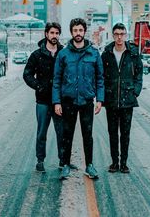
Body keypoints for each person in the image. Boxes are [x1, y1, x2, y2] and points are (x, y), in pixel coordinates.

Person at [52, 18, 104, 179]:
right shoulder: (63, 54)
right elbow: (57, 79)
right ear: (71, 32)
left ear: (84, 31)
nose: (78, 33)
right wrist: (57, 102)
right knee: (67, 134)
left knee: (87, 134)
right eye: (75, 30)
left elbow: (100, 78)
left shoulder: (94, 53)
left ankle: (89, 165)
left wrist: (100, 100)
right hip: (68, 101)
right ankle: (66, 165)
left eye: (80, 30)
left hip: (87, 100)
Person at [101, 23, 143, 173]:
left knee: (125, 133)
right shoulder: (106, 54)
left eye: (122, 34)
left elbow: (139, 74)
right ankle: (114, 162)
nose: (119, 37)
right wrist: (104, 94)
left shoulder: (133, 54)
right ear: (113, 35)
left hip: (127, 100)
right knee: (112, 133)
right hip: (111, 100)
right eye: (116, 34)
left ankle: (124, 163)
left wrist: (135, 92)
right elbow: (101, 76)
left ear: (126, 35)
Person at [23, 22, 64, 172]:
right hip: (42, 101)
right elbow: (27, 74)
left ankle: (62, 160)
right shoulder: (37, 55)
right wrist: (38, 86)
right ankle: (40, 160)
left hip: (59, 101)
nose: (54, 36)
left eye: (57, 33)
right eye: (52, 33)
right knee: (42, 132)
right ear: (46, 34)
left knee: (62, 132)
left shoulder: (63, 53)